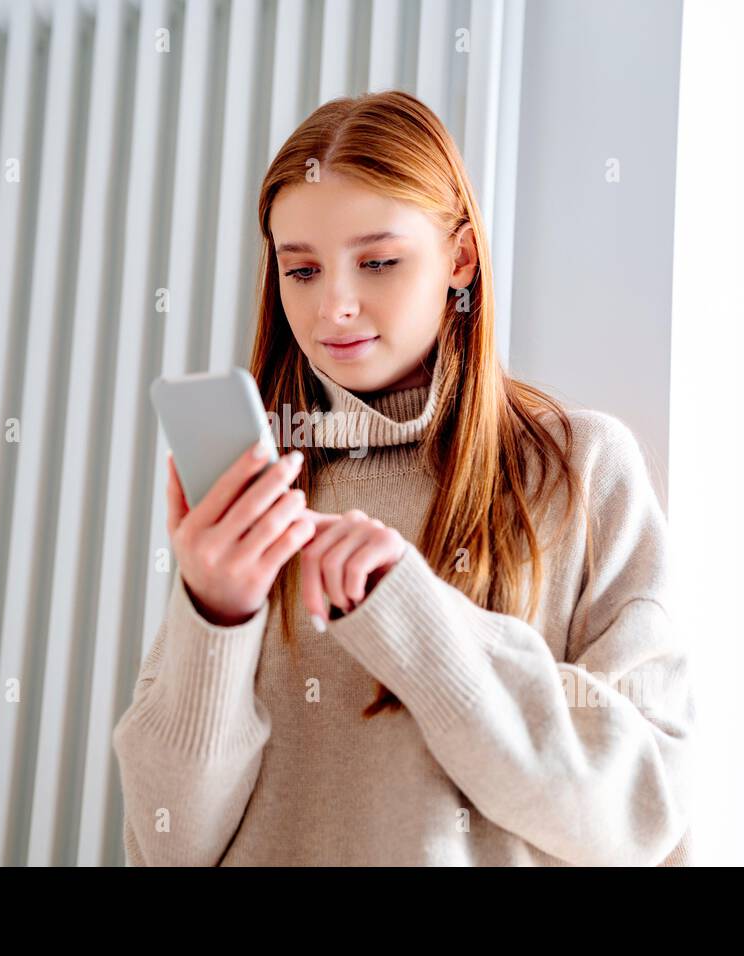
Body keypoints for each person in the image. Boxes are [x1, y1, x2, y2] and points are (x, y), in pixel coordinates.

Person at [111, 90, 694, 866]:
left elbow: (640, 812)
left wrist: (418, 621)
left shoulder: (580, 468)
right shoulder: (266, 495)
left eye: (379, 262)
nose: (334, 308)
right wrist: (214, 618)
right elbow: (168, 846)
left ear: (459, 258)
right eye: (303, 271)